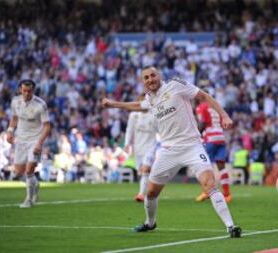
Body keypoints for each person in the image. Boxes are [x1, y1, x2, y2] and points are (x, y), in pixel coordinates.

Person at [102, 66, 241, 237]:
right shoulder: (150, 98)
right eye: (146, 77)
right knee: (151, 192)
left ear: (159, 75)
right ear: (143, 81)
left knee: (209, 183)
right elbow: (138, 105)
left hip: (192, 146)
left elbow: (203, 96)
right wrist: (113, 104)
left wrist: (224, 115)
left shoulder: (175, 85)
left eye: (153, 75)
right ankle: (150, 223)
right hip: (168, 150)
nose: (150, 79)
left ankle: (231, 226)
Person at [6, 79, 51, 208]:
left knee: (29, 170)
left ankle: (29, 200)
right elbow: (14, 119)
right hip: (20, 139)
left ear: (33, 91)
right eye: (24, 90)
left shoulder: (40, 104)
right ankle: (35, 184)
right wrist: (10, 131)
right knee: (19, 172)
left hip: (35, 140)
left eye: (29, 91)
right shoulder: (15, 101)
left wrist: (39, 143)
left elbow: (47, 126)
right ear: (20, 89)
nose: (26, 93)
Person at [195, 95, 232, 203]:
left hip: (210, 139)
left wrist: (197, 135)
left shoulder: (202, 106)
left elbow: (203, 122)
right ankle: (227, 195)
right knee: (222, 167)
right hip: (220, 138)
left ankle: (207, 191)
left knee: (204, 166)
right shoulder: (216, 108)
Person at [124, 94, 157, 202]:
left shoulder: (154, 114)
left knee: (145, 169)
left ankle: (140, 194)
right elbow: (129, 129)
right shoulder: (134, 115)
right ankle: (151, 188)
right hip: (138, 148)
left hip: (150, 146)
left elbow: (160, 130)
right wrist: (127, 143)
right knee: (143, 172)